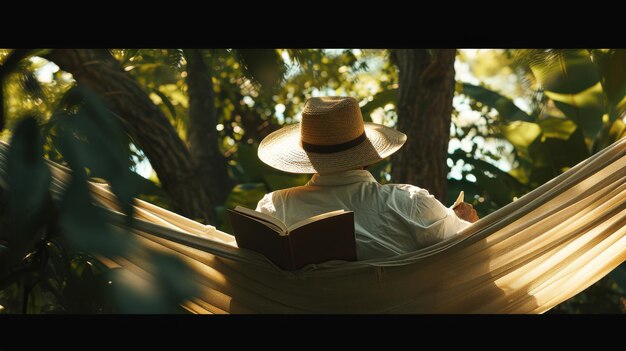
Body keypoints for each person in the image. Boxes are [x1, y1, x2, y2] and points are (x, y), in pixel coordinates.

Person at [255, 96, 478, 260]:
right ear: (366, 151)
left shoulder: (274, 209)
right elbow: (471, 248)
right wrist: (465, 221)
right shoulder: (411, 204)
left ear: (307, 156)